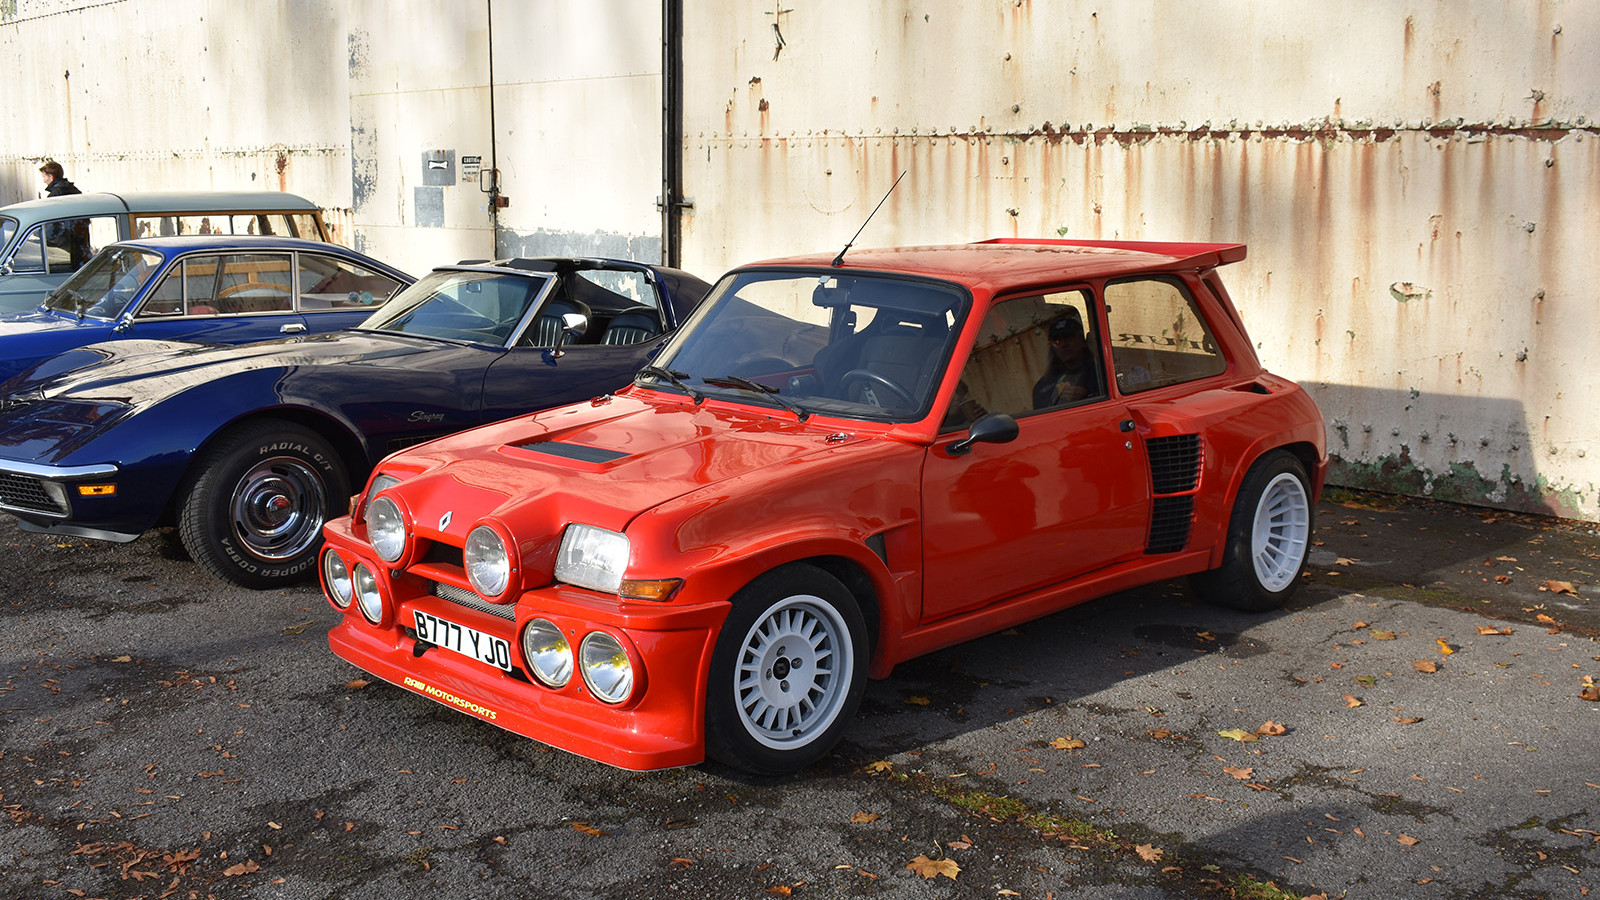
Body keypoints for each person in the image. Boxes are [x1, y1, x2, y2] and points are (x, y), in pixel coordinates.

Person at [1032, 308, 1102, 408]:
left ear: (1083, 340)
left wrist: (1088, 397)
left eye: (1069, 337)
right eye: (1057, 341)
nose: (1064, 345)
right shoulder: (1044, 386)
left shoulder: (1100, 373)